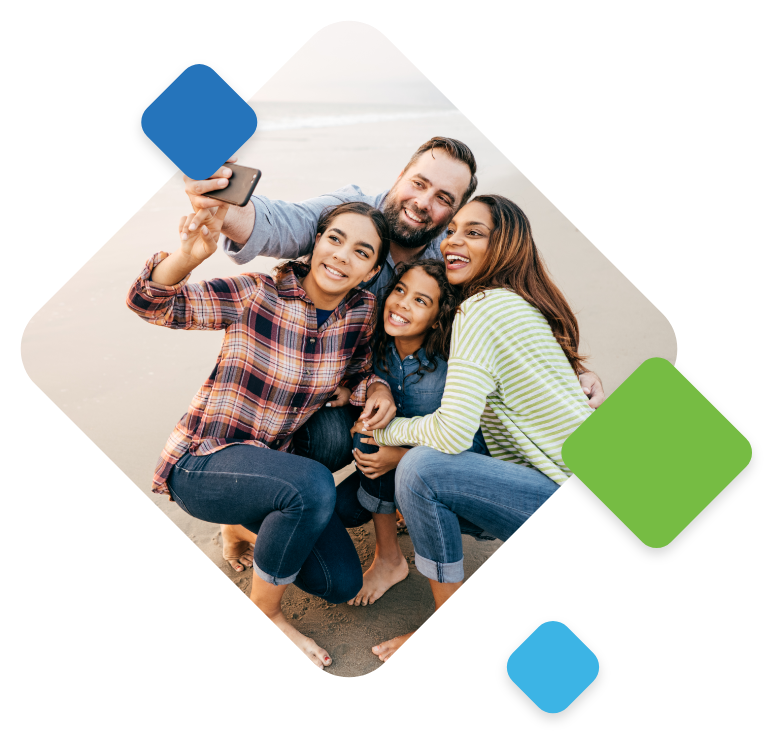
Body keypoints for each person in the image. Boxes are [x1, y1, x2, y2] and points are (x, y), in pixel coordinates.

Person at [183, 137, 606, 574]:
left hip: (397, 384)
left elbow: (513, 301)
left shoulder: (448, 249)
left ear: (453, 212)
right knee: (328, 437)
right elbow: (276, 221)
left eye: (444, 199)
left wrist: (573, 369)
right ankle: (246, 510)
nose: (424, 203)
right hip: (325, 384)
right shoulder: (351, 214)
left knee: (433, 391)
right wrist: (223, 205)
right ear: (400, 176)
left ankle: (410, 497)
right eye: (419, 183)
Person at [126, 201, 391, 669]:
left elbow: (363, 367)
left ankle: (246, 524)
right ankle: (266, 610)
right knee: (310, 485)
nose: (343, 255)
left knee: (341, 583)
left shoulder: (361, 313)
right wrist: (188, 256)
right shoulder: (257, 293)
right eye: (335, 238)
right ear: (316, 244)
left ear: (370, 272)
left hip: (270, 470)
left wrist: (375, 388)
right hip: (203, 463)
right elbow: (149, 304)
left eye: (362, 251)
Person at [365, 195, 595, 661]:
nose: (453, 241)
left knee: (421, 472)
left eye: (474, 232)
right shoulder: (516, 303)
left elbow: (450, 434)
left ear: (505, 245)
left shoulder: (482, 309)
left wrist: (386, 435)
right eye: (452, 230)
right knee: (427, 477)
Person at [333, 258, 492, 607]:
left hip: (453, 476)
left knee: (376, 444)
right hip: (394, 469)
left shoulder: (451, 368)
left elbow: (475, 448)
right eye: (401, 290)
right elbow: (356, 377)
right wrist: (354, 396)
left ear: (437, 318)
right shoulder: (379, 349)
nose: (403, 302)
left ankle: (397, 557)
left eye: (421, 300)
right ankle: (391, 548)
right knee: (342, 506)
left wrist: (400, 458)